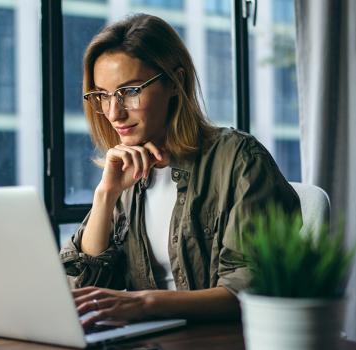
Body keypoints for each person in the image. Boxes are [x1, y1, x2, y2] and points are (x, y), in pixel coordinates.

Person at [60, 14, 300, 328]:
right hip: (151, 345)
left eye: (130, 91)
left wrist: (145, 303)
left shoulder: (239, 160)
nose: (113, 112)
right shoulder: (127, 172)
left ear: (175, 82)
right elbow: (79, 290)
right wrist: (106, 196)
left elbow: (250, 291)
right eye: (102, 95)